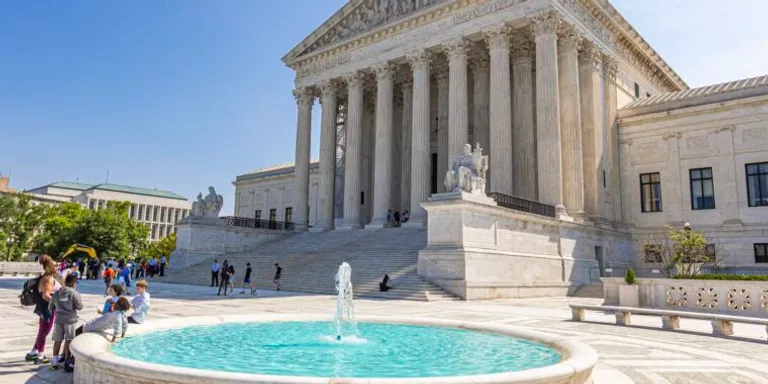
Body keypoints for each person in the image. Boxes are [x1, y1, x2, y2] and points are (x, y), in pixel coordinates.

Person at [26, 255, 63, 364]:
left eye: (57, 264)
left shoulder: (47, 277)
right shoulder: (49, 279)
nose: (57, 266)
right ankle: (40, 356)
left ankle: (33, 352)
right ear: (47, 267)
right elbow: (46, 296)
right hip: (48, 308)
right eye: (54, 264)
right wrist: (60, 304)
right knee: (44, 332)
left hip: (46, 307)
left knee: (43, 331)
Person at [49, 274, 83, 371]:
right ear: (73, 283)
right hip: (70, 320)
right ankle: (67, 362)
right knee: (69, 340)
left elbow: (51, 307)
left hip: (58, 319)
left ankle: (54, 362)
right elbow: (80, 307)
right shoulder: (74, 293)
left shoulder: (56, 293)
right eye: (76, 283)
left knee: (57, 340)